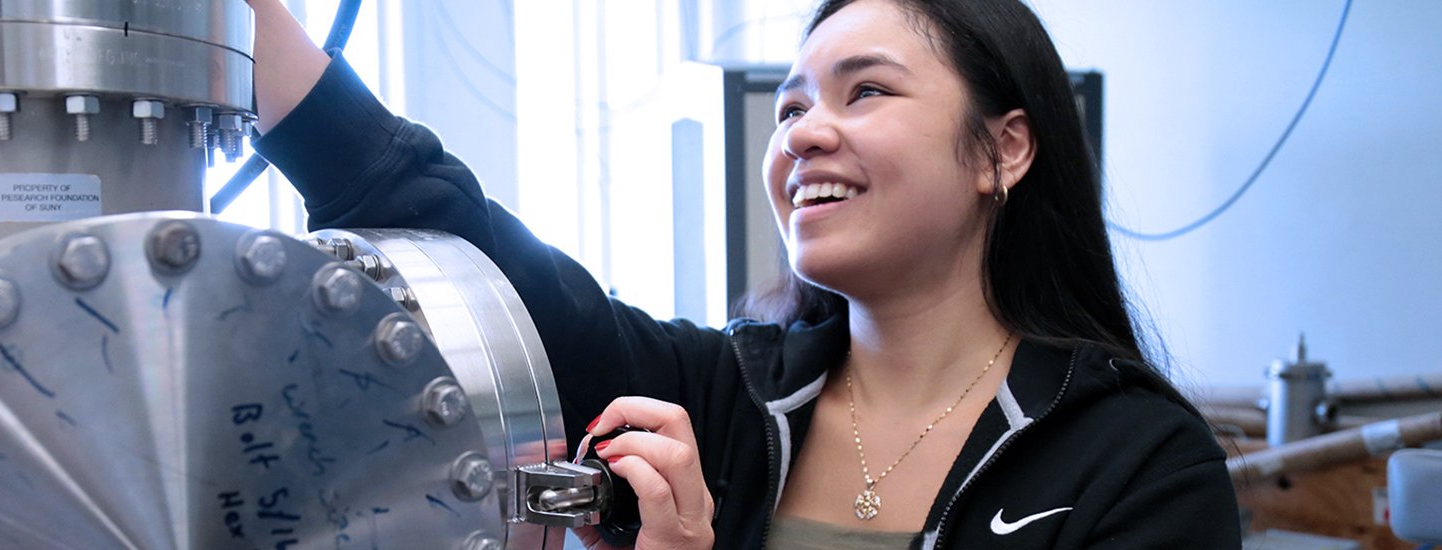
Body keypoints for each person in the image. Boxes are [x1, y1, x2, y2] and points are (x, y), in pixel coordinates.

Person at [244, 0, 1240, 547]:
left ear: (1000, 150)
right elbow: (438, 217)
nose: (805, 132)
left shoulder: (1140, 463)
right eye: (791, 108)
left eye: (866, 91)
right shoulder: (721, 398)